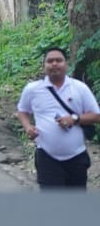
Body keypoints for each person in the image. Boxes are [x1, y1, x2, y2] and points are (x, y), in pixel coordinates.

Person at [16, 46, 100, 189]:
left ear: (66, 64)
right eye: (50, 61)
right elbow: (22, 111)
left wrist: (74, 119)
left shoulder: (79, 88)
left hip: (76, 157)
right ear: (44, 66)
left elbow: (97, 115)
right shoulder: (33, 89)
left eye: (59, 60)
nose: (54, 64)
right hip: (46, 156)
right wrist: (28, 127)